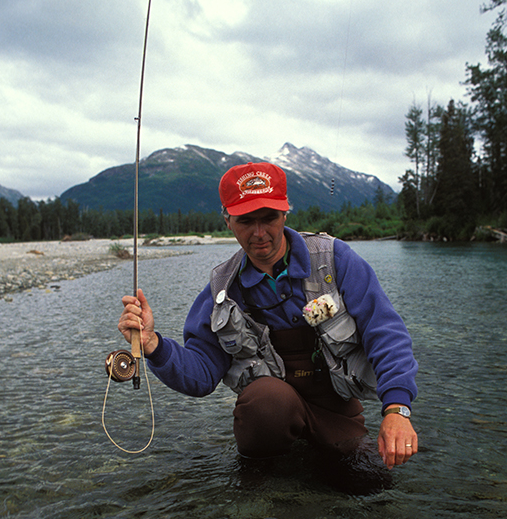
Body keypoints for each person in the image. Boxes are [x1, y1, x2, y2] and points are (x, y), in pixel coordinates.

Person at [118, 161, 418, 491]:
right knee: (266, 408)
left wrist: (397, 410)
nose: (259, 233)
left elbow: (386, 334)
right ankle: (264, 476)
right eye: (246, 220)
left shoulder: (335, 259)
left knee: (369, 488)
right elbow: (201, 374)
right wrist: (153, 345)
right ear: (228, 220)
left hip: (336, 408)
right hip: (270, 415)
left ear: (285, 214)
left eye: (269, 218)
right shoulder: (223, 290)